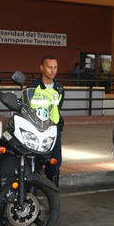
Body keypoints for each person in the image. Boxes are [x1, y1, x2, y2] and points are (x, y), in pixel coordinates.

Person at [28, 54, 65, 187]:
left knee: (54, 163)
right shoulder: (32, 88)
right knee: (33, 163)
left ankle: (53, 193)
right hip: (35, 131)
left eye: (55, 67)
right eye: (50, 67)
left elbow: (57, 110)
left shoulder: (59, 89)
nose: (53, 70)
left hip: (53, 131)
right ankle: (30, 193)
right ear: (41, 68)